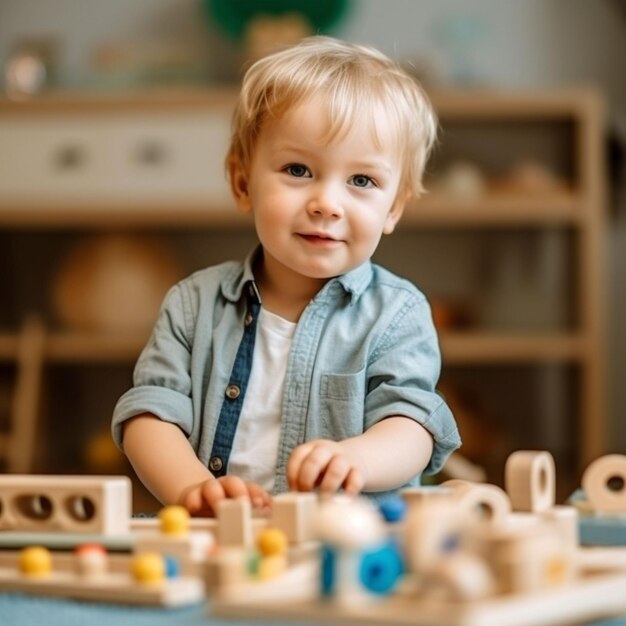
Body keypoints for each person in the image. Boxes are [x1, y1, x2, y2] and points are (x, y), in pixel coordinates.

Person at [112, 36, 461, 516]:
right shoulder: (193, 305)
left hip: (349, 541)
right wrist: (194, 490)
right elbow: (149, 415)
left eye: (361, 181)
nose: (326, 204)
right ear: (242, 183)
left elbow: (413, 426)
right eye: (298, 169)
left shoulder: (397, 314)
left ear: (394, 207)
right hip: (220, 537)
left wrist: (355, 457)